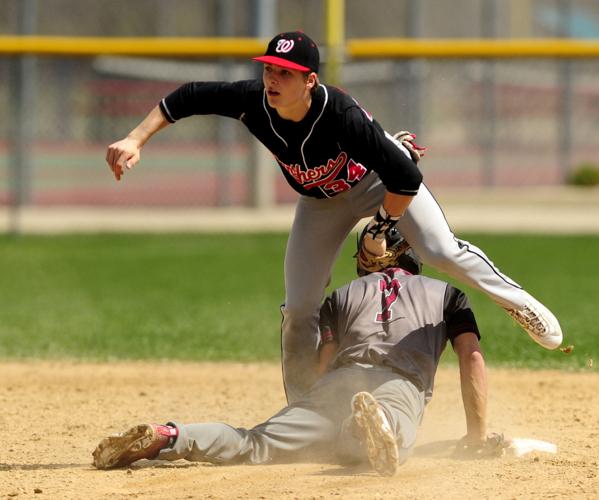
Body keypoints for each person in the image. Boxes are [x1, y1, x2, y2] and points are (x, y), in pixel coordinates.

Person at [104, 30, 562, 402]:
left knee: (440, 249)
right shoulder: (252, 101)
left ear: (310, 81)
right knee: (299, 305)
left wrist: (380, 228)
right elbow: (184, 98)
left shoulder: (338, 113)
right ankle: (303, 409)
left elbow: (404, 176)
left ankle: (517, 302)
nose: (272, 79)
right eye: (269, 69)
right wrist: (135, 139)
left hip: (378, 184)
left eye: (286, 73)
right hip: (319, 204)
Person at [92, 230, 497, 476]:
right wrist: (476, 436)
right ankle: (373, 424)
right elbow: (471, 358)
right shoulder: (449, 295)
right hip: (397, 385)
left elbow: (323, 366)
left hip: (338, 383)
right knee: (393, 446)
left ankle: (170, 437)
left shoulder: (341, 295)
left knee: (253, 443)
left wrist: (311, 411)